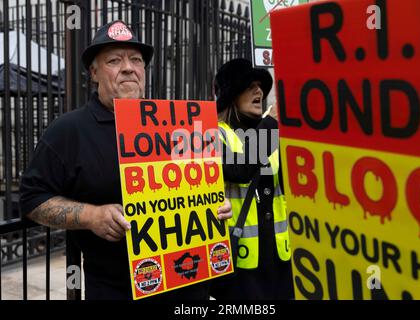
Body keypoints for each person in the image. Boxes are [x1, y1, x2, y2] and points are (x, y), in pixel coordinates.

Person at [19, 20, 232, 300]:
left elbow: (196, 189)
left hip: (190, 286)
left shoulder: (178, 122)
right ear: (94, 72)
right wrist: (91, 216)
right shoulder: (69, 131)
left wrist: (213, 205)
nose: (129, 67)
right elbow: (32, 200)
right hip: (116, 289)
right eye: (114, 60)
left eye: (136, 60)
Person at [210, 58, 294, 300]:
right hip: (241, 263)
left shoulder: (272, 132)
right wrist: (274, 123)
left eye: (260, 86)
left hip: (280, 257)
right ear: (231, 95)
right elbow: (240, 169)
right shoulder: (215, 133)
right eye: (250, 86)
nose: (259, 91)